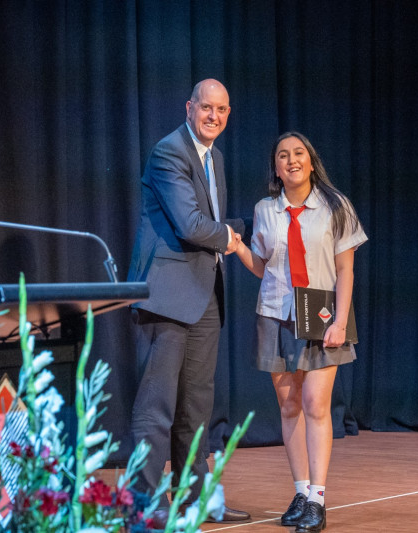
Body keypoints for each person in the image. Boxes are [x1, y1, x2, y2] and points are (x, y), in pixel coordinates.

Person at [126, 79, 249, 522]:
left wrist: (244, 229)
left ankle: (195, 499)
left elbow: (208, 224)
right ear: (189, 107)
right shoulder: (169, 151)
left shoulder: (215, 157)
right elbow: (192, 225)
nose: (213, 116)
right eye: (206, 107)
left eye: (221, 109)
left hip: (204, 295)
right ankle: (144, 507)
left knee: (197, 406)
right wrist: (237, 236)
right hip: (166, 296)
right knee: (156, 406)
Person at [233, 132, 367, 532]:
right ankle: (301, 491)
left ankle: (318, 500)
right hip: (276, 314)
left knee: (315, 404)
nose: (291, 160)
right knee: (289, 405)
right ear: (276, 168)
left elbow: (345, 269)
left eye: (298, 154)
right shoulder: (265, 210)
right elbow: (263, 267)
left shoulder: (335, 206)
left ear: (310, 162)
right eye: (282, 156)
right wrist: (238, 248)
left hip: (322, 314)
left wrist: (340, 321)